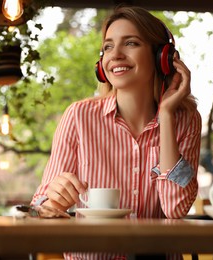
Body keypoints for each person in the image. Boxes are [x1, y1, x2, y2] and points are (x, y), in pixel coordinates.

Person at [31, 5, 202, 260]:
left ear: (162, 57)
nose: (116, 55)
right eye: (108, 47)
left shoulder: (185, 120)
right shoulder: (78, 116)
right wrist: (52, 202)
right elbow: (40, 208)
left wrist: (165, 115)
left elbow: (175, 208)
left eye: (130, 43)